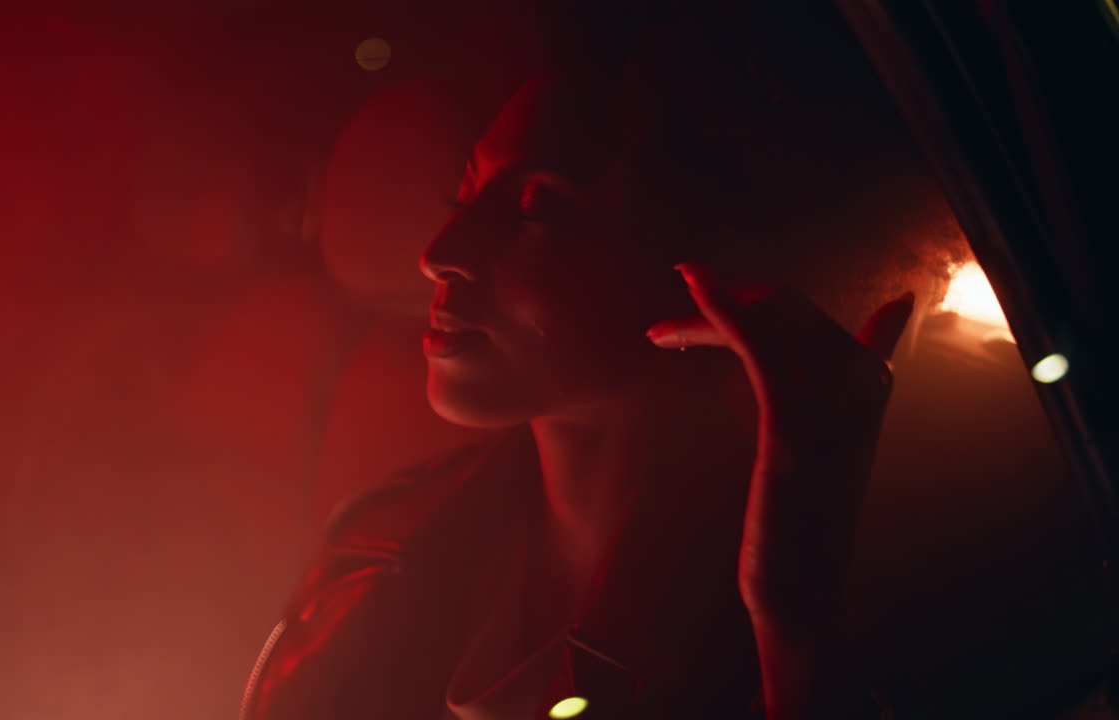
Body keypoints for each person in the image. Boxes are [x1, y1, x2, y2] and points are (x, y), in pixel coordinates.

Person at [240, 2, 975, 718]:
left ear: (705, 265)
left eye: (537, 209)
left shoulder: (857, 595)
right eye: (463, 193)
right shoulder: (378, 543)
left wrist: (797, 636)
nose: (440, 253)